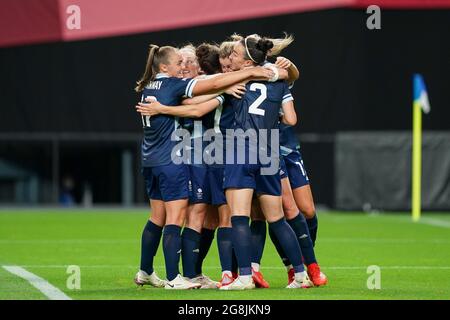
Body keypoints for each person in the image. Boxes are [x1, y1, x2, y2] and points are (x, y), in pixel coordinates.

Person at [133, 43, 275, 290]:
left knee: (162, 217)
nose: (184, 66)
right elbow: (197, 105)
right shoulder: (175, 85)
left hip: (152, 158)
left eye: (188, 62)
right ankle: (178, 277)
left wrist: (222, 88)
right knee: (181, 218)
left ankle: (147, 270)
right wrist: (240, 79)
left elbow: (195, 100)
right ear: (165, 66)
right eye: (180, 62)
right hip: (178, 156)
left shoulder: (150, 86)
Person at [221, 35, 313, 290]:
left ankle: (245, 277)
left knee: (239, 217)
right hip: (269, 151)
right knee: (278, 219)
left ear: (248, 60)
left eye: (237, 55)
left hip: (241, 149)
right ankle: (300, 275)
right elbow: (292, 119)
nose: (232, 59)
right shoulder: (279, 81)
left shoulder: (238, 79)